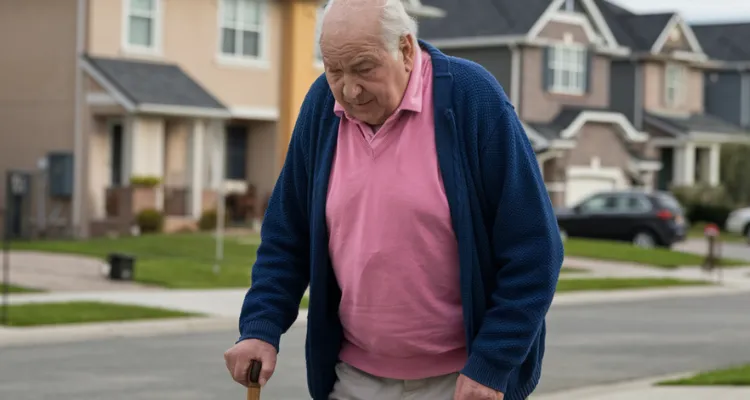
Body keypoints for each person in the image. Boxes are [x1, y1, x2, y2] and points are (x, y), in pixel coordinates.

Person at [224, 0, 564, 398]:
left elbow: (535, 249)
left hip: (459, 381)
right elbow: (287, 234)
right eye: (335, 70)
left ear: (405, 49)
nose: (349, 89)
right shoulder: (321, 106)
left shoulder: (472, 98)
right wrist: (261, 327)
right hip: (352, 377)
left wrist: (492, 363)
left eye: (364, 69)